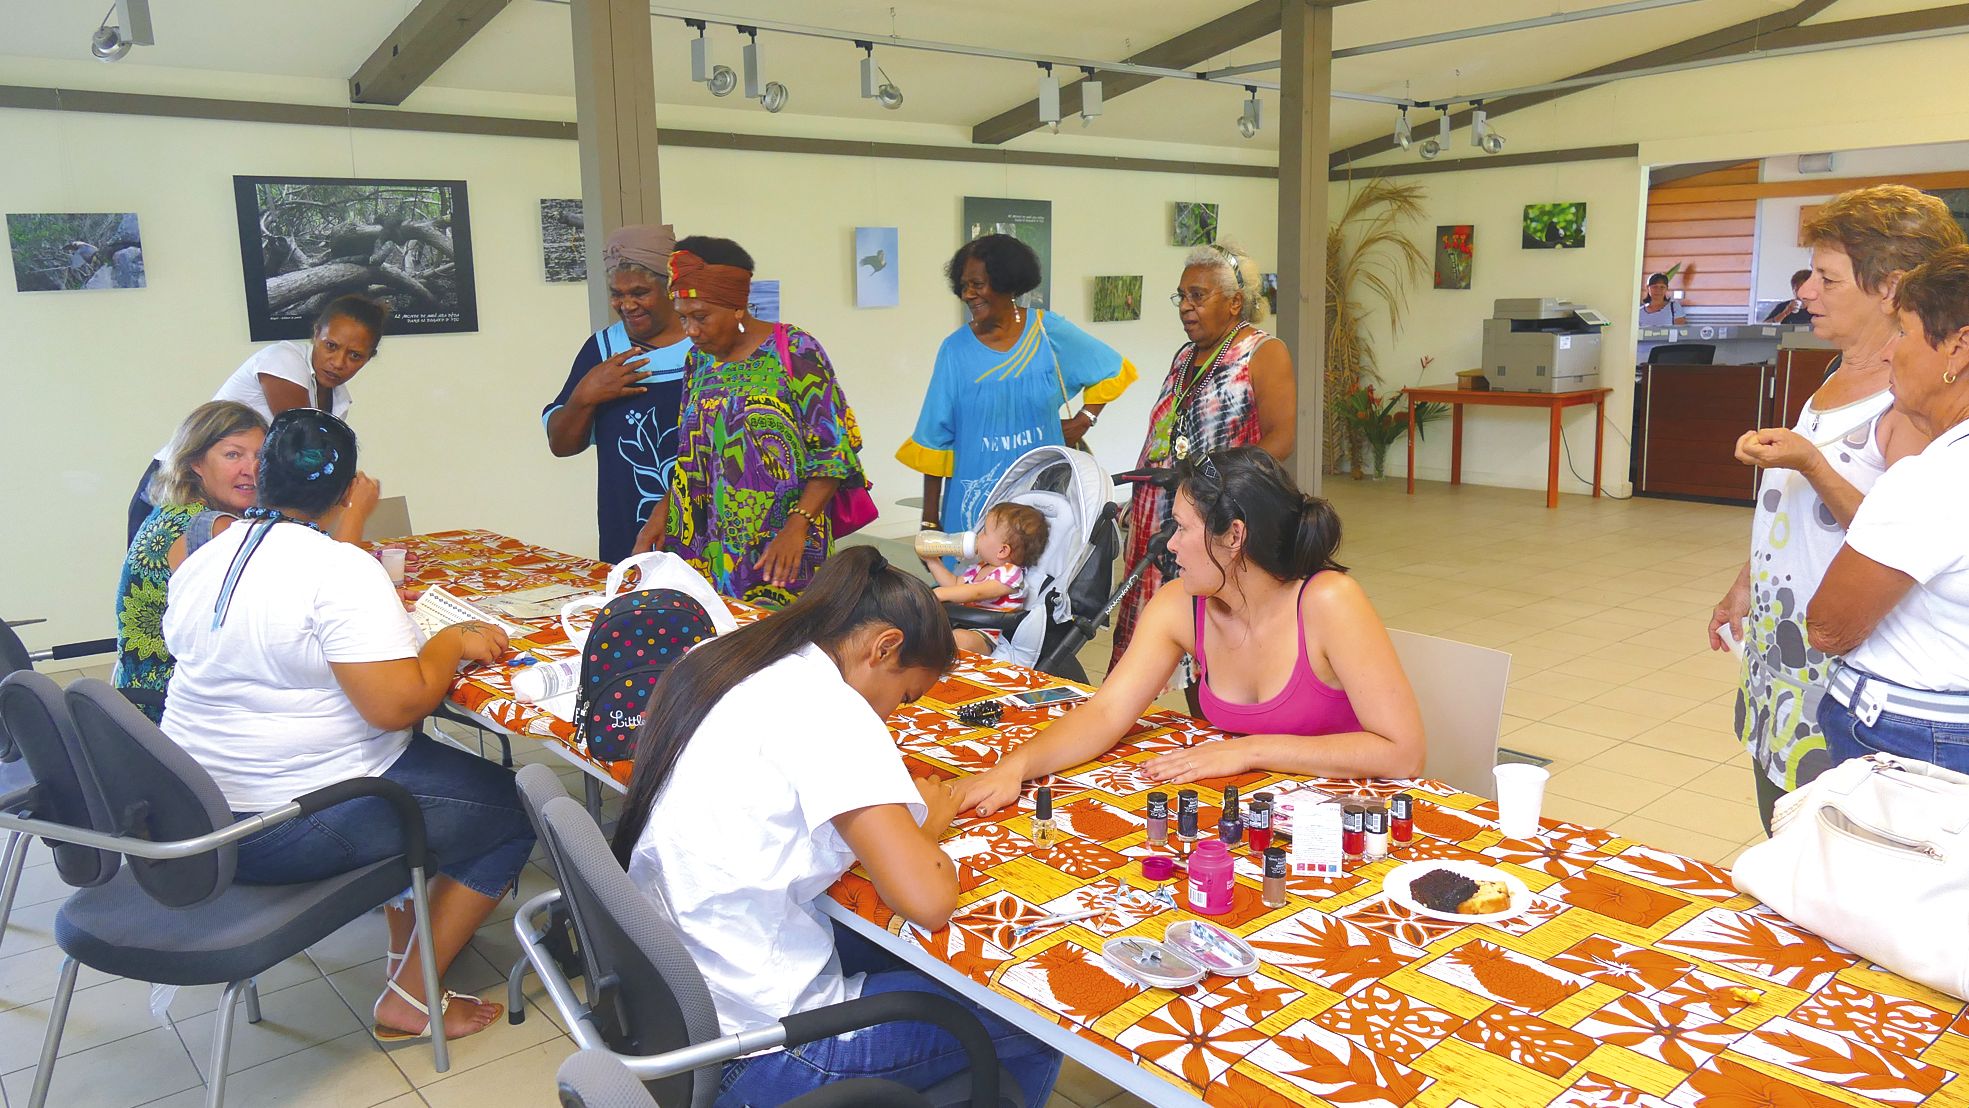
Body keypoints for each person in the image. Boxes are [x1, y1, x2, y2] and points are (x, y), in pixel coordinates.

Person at [609, 547, 1061, 1106]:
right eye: (904, 695)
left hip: (675, 1007)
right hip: (762, 1045)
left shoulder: (729, 657)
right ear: (885, 647)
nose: (891, 715)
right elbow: (929, 899)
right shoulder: (829, 709)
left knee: (898, 949)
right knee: (1036, 1023)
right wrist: (932, 821)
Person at [161, 409, 534, 1042]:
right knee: (515, 807)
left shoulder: (205, 553)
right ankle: (412, 997)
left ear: (264, 475)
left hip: (197, 811)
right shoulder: (337, 568)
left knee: (427, 768)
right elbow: (396, 706)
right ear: (346, 493)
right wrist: (448, 642)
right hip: (282, 823)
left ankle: (404, 951)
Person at [953, 447, 1424, 816]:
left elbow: (1402, 753)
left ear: (1234, 537)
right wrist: (1016, 767)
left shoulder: (1329, 602)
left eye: (1181, 528)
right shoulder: (1181, 606)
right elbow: (1106, 714)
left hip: (1348, 825)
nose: (1171, 546)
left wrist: (1249, 751)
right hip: (1252, 819)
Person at [1707, 184, 1964, 831]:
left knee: (1826, 842)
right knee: (1779, 808)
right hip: (1783, 647)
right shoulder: (1836, 373)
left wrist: (1811, 463)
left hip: (1844, 669)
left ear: (1890, 287)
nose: (1806, 292)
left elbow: (1897, 538)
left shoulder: (1912, 399)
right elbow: (1797, 517)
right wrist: (1748, 580)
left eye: (1825, 278)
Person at [1809, 245, 1969, 772]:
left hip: (1913, 735)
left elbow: (1830, 627)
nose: (1887, 353)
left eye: (1903, 332)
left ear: (1957, 349)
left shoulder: (1935, 478)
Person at [659, 236, 869, 606]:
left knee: (782, 649)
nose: (690, 330)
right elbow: (689, 455)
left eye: (701, 316)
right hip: (703, 546)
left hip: (781, 548)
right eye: (683, 317)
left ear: (737, 308)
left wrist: (797, 526)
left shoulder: (794, 349)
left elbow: (835, 451)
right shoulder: (699, 361)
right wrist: (661, 516)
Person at [1113, 243, 1297, 666]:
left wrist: (1214, 481)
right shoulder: (1185, 357)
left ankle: (1217, 726)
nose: (1186, 307)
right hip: (1161, 525)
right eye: (1182, 296)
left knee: (1206, 651)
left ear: (1234, 302)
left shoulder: (1263, 352)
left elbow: (1281, 439)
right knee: (1151, 645)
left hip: (1215, 523)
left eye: (1199, 295)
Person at [898, 234, 1137, 537]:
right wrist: (930, 520)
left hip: (1044, 498)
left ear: (1006, 283)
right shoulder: (954, 350)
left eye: (978, 284)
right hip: (974, 503)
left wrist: (1084, 419)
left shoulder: (1047, 332)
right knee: (973, 581)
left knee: (1043, 575)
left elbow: (1111, 367)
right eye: (963, 286)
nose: (968, 294)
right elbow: (935, 437)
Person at [127, 295, 386, 543]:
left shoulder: (339, 399)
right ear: (316, 333)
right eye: (331, 346)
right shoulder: (283, 361)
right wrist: (353, 502)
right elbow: (307, 454)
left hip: (236, 494)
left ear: (369, 357)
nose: (339, 362)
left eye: (355, 355)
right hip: (182, 486)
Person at [541, 224, 693, 563]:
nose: (626, 305)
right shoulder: (604, 350)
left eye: (639, 292)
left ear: (672, 287)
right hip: (626, 536)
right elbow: (561, 444)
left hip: (703, 534)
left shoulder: (707, 349)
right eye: (616, 294)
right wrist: (585, 395)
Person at [114, 403, 269, 717]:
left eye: (260, 456)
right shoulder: (213, 528)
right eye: (233, 455)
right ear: (196, 461)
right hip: (173, 709)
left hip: (136, 697)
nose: (251, 469)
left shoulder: (174, 510)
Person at [921, 501, 1049, 656]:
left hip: (988, 635)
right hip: (961, 622)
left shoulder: (1010, 574)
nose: (977, 536)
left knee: (960, 639)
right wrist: (932, 561)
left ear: (1002, 550)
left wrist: (940, 594)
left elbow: (977, 592)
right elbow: (954, 584)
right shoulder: (979, 567)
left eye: (984, 532)